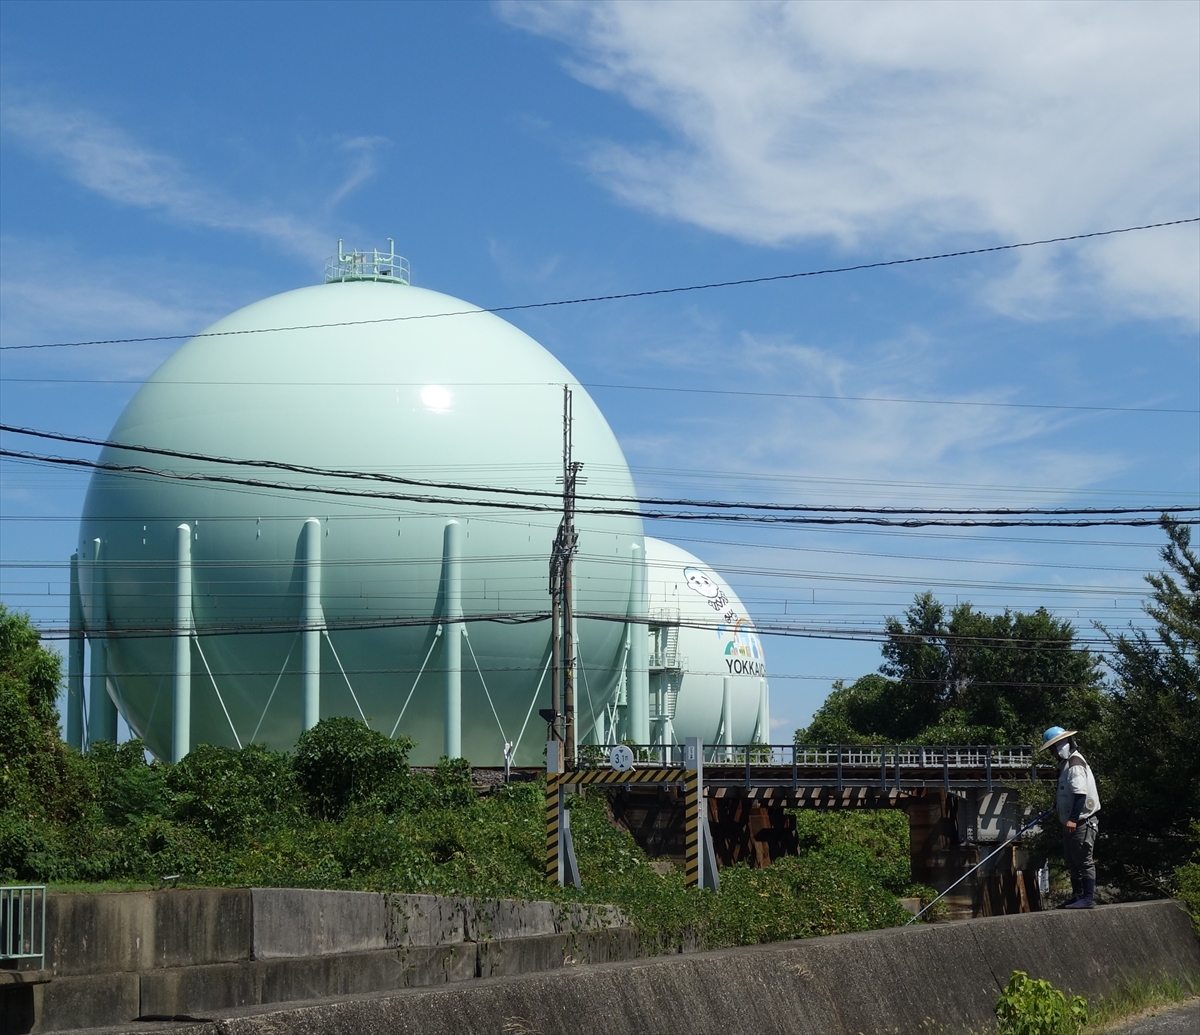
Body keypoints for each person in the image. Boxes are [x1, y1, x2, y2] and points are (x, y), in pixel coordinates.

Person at [1040, 726, 1101, 909]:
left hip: (1082, 821)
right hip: (1071, 822)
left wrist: (1073, 819)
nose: (1051, 753)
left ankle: (1087, 897)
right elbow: (1067, 792)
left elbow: (1080, 794)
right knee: (1072, 860)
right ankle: (1077, 895)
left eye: (1052, 749)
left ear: (1060, 746)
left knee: (1083, 860)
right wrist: (1057, 804)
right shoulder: (1065, 765)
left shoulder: (1075, 764)